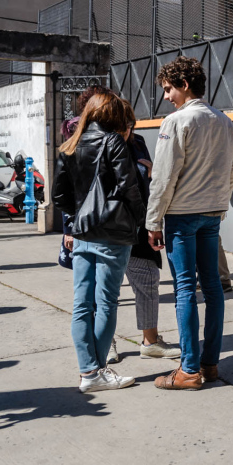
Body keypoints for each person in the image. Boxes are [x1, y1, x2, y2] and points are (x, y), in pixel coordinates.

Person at [146, 56, 233, 390]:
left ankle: (188, 370)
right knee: (212, 287)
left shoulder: (176, 121)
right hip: (211, 213)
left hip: (182, 215)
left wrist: (153, 220)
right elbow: (231, 170)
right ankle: (209, 364)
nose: (166, 96)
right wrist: (220, 205)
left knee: (185, 288)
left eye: (168, 89)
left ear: (184, 85)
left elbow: (164, 176)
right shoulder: (223, 120)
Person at [53, 92, 145, 393]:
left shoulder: (71, 144)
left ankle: (89, 371)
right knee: (106, 303)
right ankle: (96, 371)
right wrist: (139, 220)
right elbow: (129, 187)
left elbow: (59, 196)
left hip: (82, 234)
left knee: (82, 305)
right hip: (113, 233)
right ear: (111, 114)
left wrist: (81, 213)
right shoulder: (113, 141)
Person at [123, 121, 181, 359]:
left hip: (139, 223)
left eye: (130, 123)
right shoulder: (94, 143)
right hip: (107, 228)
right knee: (102, 290)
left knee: (148, 281)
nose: (127, 128)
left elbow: (149, 180)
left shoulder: (137, 142)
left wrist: (153, 223)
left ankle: (150, 341)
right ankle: (104, 345)